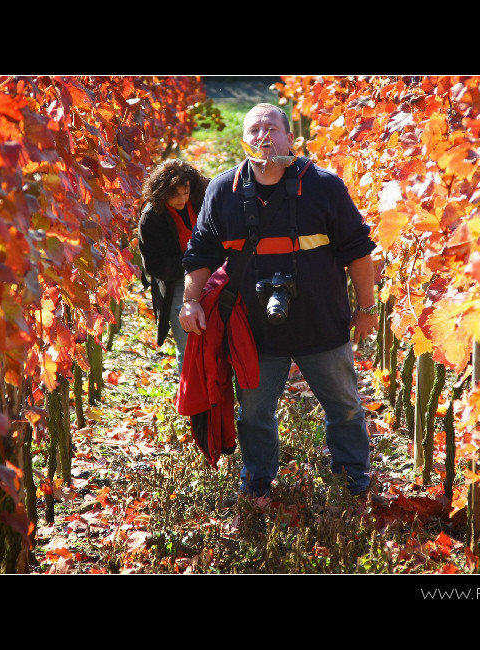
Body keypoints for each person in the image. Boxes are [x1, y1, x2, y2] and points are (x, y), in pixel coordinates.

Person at [178, 103, 380, 501]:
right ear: (243, 140)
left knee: (345, 408)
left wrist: (366, 308)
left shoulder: (324, 186)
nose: (263, 136)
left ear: (291, 138)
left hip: (322, 323)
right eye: (254, 130)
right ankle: (257, 483)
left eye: (272, 128)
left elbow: (359, 251)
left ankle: (353, 481)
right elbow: (199, 254)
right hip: (254, 330)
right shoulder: (224, 190)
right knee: (254, 414)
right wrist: (189, 301)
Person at [137, 159, 210, 373]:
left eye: (185, 193)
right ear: (161, 192)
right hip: (178, 281)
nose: (181, 199)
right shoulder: (151, 218)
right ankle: (191, 400)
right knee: (188, 343)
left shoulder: (201, 199)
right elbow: (155, 265)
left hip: (213, 273)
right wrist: (192, 263)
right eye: (174, 194)